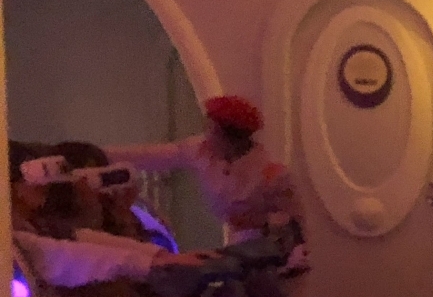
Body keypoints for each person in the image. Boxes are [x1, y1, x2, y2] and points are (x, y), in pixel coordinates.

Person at [108, 96, 306, 262]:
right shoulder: (201, 151)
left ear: (233, 139)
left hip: (271, 251)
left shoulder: (271, 174)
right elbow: (150, 155)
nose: (207, 136)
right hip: (239, 244)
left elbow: (295, 221)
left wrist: (261, 221)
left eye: (213, 131)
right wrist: (99, 155)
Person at [9, 141, 204, 292]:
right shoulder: (17, 239)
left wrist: (160, 258)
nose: (44, 184)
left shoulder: (44, 227)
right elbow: (65, 255)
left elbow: (82, 240)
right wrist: (153, 262)